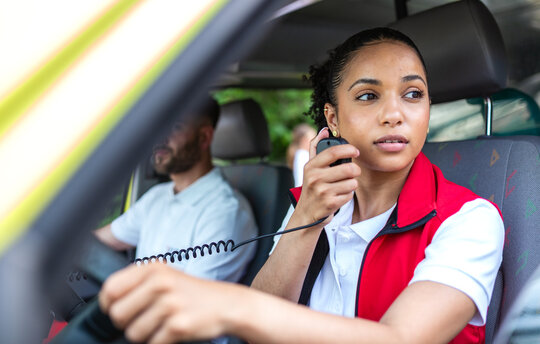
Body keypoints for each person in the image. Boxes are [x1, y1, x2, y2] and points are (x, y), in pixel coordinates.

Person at [99, 28, 504, 344]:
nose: (394, 114)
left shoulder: (469, 221)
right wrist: (308, 218)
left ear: (428, 111)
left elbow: (401, 338)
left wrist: (230, 304)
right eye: (368, 96)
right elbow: (265, 315)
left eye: (413, 94)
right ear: (333, 118)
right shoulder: (313, 204)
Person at [95, 97, 258, 282]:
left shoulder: (225, 212)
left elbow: (193, 302)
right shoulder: (157, 196)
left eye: (175, 127)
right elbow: (101, 241)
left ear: (204, 137)